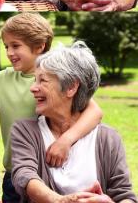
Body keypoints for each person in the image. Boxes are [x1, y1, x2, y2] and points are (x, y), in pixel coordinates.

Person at [0, 13, 103, 203]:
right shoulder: (1, 79)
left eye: (15, 45)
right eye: (6, 46)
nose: (9, 52)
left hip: (55, 173)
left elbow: (95, 111)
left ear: (39, 46)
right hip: (16, 175)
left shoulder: (58, 80)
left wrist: (65, 141)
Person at [11, 42, 137, 202]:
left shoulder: (108, 138)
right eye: (35, 80)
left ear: (71, 87)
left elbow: (124, 195)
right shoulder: (25, 130)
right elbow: (24, 176)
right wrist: (59, 200)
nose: (33, 88)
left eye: (42, 80)